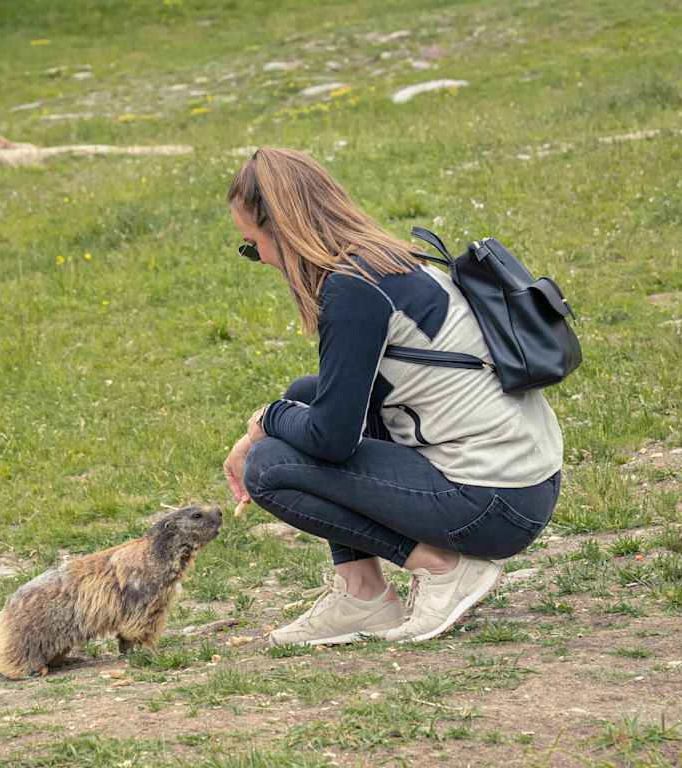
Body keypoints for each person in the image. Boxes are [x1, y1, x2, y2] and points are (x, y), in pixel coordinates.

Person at [222, 147, 563, 647]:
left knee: (270, 467)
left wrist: (264, 419)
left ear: (285, 228)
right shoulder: (388, 262)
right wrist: (282, 413)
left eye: (254, 246)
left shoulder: (352, 290)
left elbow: (331, 439)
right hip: (527, 484)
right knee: (304, 396)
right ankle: (363, 595)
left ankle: (444, 569)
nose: (263, 260)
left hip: (492, 503)